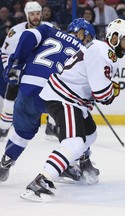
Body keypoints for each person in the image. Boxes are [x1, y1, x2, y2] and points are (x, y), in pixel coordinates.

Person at [20, 18, 125, 202]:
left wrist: (109, 89)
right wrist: (112, 91)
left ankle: (66, 164)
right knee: (74, 143)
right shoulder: (102, 53)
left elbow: (94, 85)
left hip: (73, 99)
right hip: (65, 98)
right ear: (114, 37)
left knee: (90, 135)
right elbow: (101, 94)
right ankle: (40, 181)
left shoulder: (101, 49)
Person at [0, 18, 96, 184]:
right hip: (56, 93)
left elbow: (28, 35)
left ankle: (4, 165)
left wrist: (16, 63)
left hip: (28, 88)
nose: (88, 43)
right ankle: (82, 163)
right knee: (77, 124)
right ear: (82, 34)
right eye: (88, 39)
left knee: (22, 133)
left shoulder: (49, 30)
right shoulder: (85, 52)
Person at [0, 1, 54, 140]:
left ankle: (52, 126)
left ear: (41, 14)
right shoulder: (15, 32)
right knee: (11, 90)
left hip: (43, 70)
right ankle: (4, 127)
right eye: (32, 14)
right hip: (21, 68)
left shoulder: (50, 28)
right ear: (26, 15)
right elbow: (5, 53)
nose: (35, 17)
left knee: (55, 94)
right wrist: (9, 68)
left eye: (37, 14)